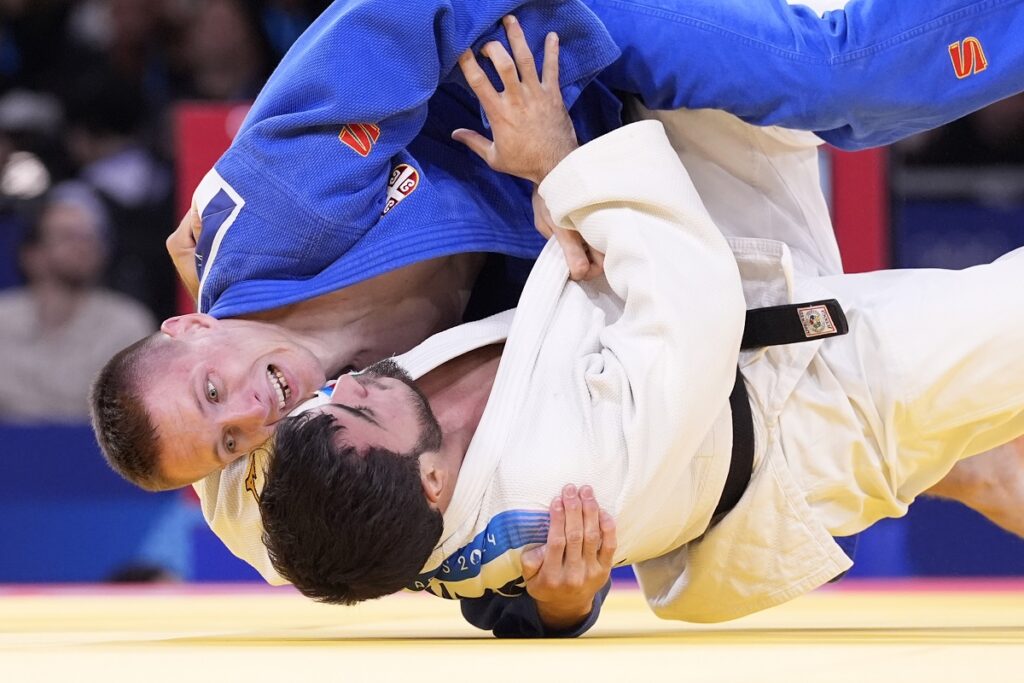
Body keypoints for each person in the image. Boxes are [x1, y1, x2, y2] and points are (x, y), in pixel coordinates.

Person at [91, 1, 1024, 634]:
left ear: (191, 326)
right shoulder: (295, 487)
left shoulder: (277, 215)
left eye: (213, 390)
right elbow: (444, 547)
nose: (248, 414)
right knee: (970, 459)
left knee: (836, 80)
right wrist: (554, 607)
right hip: (631, 206)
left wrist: (553, 163)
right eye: (225, 443)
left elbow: (391, 21)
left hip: (547, 52)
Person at [0, 183, 155, 422]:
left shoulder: (128, 324)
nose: (82, 246)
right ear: (32, 254)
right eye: (67, 236)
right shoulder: (3, 319)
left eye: (90, 237)